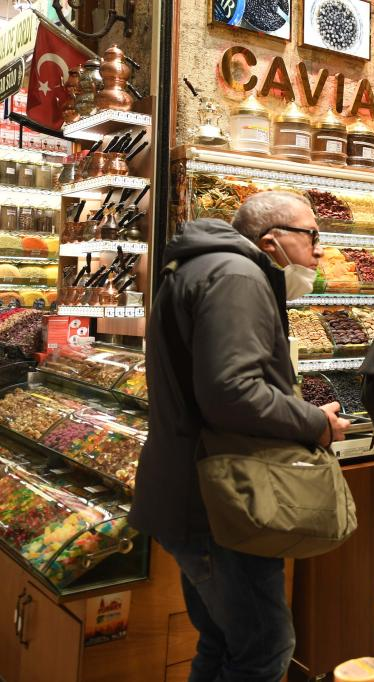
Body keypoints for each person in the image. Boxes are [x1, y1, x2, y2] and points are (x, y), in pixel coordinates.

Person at [130, 192, 350, 681]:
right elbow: (232, 392)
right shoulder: (237, 277)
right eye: (312, 235)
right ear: (272, 241)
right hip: (220, 499)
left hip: (191, 488)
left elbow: (221, 384)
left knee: (222, 643)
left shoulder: (200, 268)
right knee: (265, 650)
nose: (319, 250)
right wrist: (315, 423)